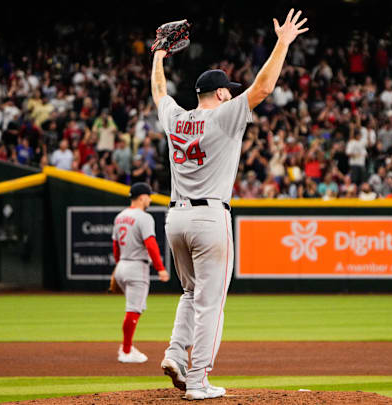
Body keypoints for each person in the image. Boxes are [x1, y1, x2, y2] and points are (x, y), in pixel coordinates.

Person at [151, 9, 308, 400]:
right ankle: (199, 380)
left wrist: (157, 55)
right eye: (229, 90)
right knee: (211, 304)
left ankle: (175, 354)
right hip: (209, 218)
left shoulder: (176, 118)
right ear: (221, 94)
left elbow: (159, 92)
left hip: (175, 218)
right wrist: (283, 43)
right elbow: (263, 87)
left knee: (190, 294)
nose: (233, 93)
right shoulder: (224, 116)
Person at [111, 182, 170, 363]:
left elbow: (115, 247)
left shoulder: (120, 216)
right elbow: (151, 244)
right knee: (134, 310)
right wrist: (160, 268)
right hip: (137, 267)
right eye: (149, 196)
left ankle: (127, 346)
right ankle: (126, 351)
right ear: (142, 197)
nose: (150, 199)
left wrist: (117, 267)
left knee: (134, 307)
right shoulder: (144, 218)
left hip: (122, 265)